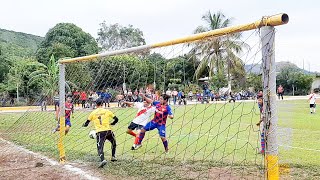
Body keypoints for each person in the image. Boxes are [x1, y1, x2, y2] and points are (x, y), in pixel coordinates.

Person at [82, 99, 119, 168]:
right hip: (108, 131)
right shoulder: (107, 111)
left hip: (100, 132)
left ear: (96, 104)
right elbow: (116, 119)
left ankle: (103, 160)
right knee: (113, 142)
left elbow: (87, 123)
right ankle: (113, 156)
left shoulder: (93, 113)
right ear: (103, 104)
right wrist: (113, 123)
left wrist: (84, 125)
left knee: (100, 146)